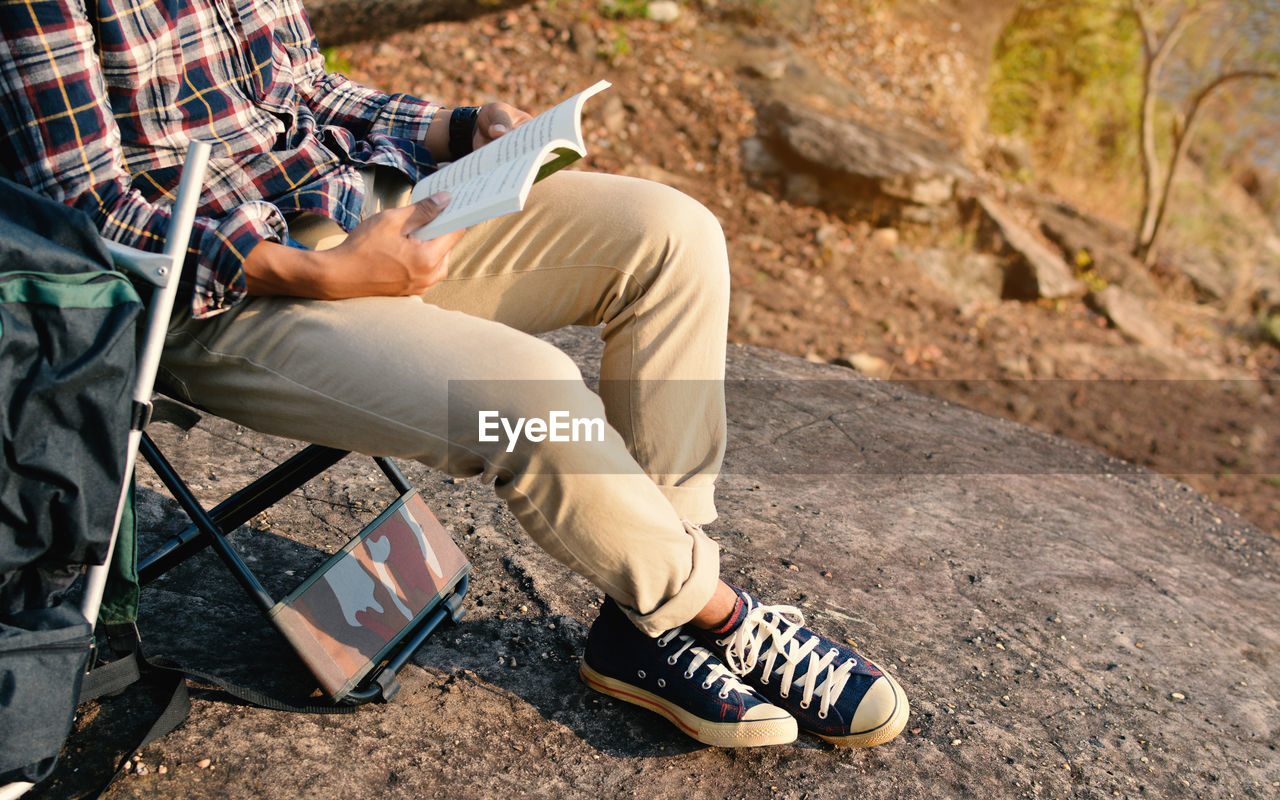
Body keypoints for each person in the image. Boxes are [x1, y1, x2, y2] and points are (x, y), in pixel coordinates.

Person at [0, 0, 907, 748]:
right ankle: (712, 612)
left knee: (674, 238)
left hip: (362, 203)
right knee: (528, 397)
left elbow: (302, 91)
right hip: (219, 294)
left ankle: (644, 625)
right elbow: (86, 207)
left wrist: (454, 127)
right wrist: (321, 272)